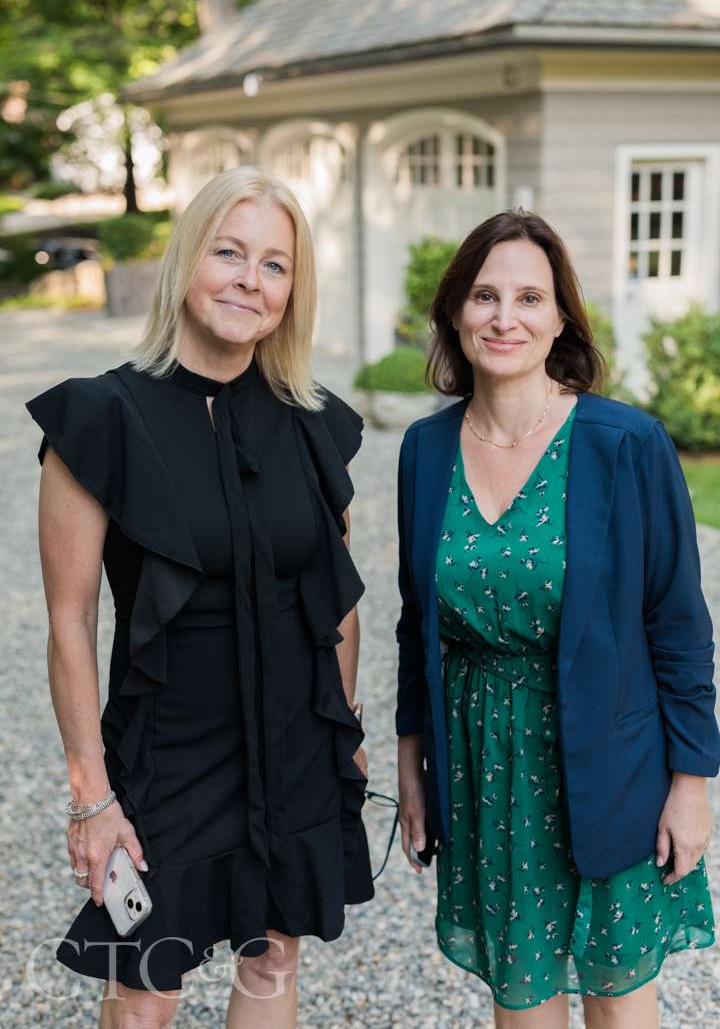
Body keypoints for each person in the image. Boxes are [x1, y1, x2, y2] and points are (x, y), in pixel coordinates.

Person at [26, 166, 374, 1028]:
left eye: (274, 265)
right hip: (165, 750)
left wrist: (347, 731)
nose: (249, 282)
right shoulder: (99, 419)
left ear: (293, 292)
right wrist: (91, 796)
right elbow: (70, 622)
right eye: (229, 252)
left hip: (294, 739)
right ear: (188, 261)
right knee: (144, 988)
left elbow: (336, 600)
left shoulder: (312, 422)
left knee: (272, 961)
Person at [395, 210, 718, 1028]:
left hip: (612, 757)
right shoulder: (424, 451)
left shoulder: (626, 444)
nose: (505, 318)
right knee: (523, 1001)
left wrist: (691, 786)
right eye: (485, 296)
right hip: (485, 764)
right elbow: (414, 623)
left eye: (529, 298)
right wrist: (413, 766)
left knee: (617, 1002)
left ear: (562, 316)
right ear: (455, 314)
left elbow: (678, 625)